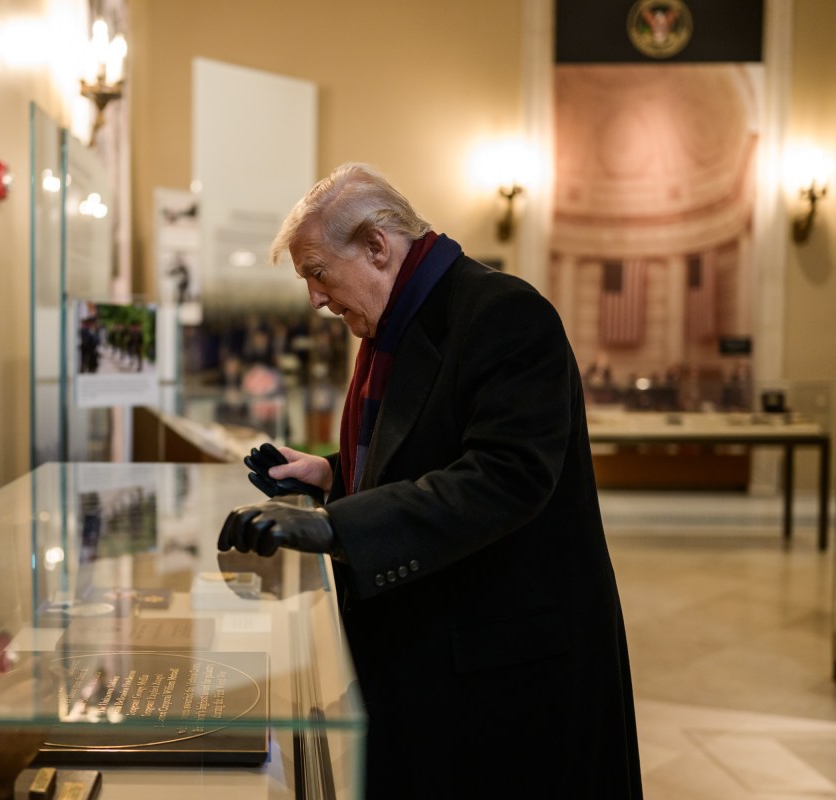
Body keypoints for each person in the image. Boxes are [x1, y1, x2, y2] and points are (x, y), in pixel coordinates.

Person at [217, 163, 642, 797]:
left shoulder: (505, 314)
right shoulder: (403, 321)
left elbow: (504, 477)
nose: (315, 298)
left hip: (507, 664)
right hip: (440, 649)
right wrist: (330, 475)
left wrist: (337, 524)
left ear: (376, 246)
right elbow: (424, 455)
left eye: (318, 272)